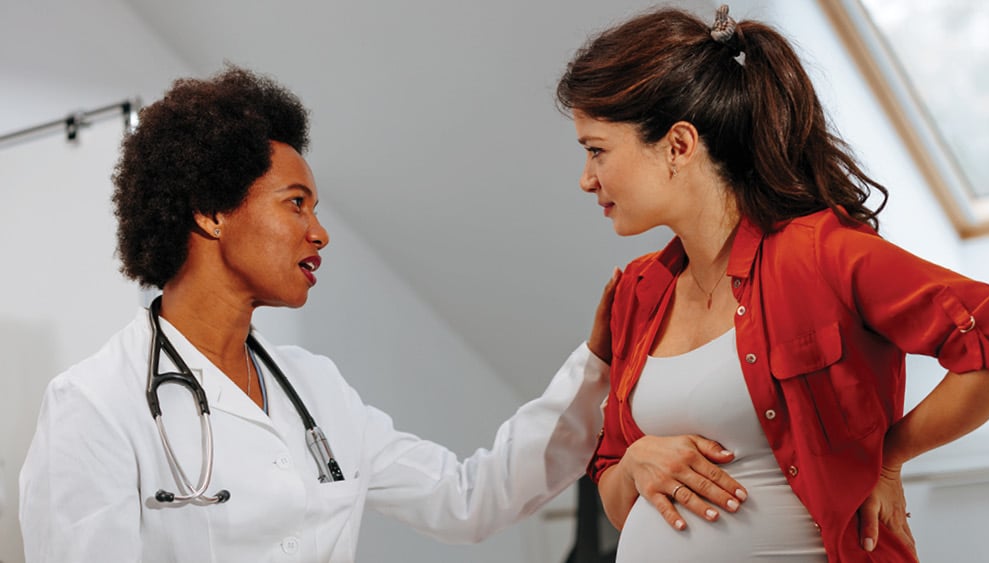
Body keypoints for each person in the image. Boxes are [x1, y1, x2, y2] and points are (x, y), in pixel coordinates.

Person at [18, 66, 617, 563]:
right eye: (295, 204)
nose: (320, 233)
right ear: (211, 212)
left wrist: (596, 367)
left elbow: (468, 500)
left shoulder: (316, 389)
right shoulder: (96, 405)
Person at [556, 4, 989, 562]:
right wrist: (638, 461)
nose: (586, 179)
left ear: (678, 145)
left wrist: (889, 456)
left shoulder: (820, 255)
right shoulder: (639, 292)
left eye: (597, 150)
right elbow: (617, 496)